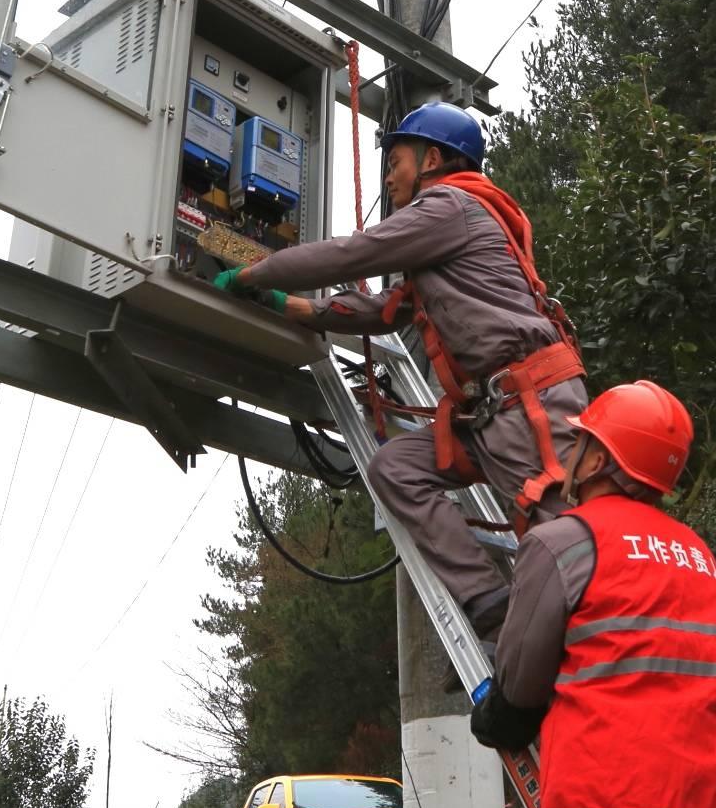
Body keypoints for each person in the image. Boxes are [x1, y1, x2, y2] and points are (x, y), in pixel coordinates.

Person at [215, 102, 588, 641]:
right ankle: (489, 601)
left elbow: (353, 253)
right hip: (493, 415)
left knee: (571, 551)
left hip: (528, 403)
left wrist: (253, 270)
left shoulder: (447, 206)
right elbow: (388, 310)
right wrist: (288, 305)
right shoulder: (448, 233)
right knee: (397, 467)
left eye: (396, 163)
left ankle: (599, 663)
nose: (388, 178)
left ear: (432, 158)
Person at [467, 380, 716, 808]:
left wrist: (495, 718)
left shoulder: (564, 540)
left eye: (579, 442)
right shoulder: (699, 555)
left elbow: (520, 689)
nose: (570, 453)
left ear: (599, 461)